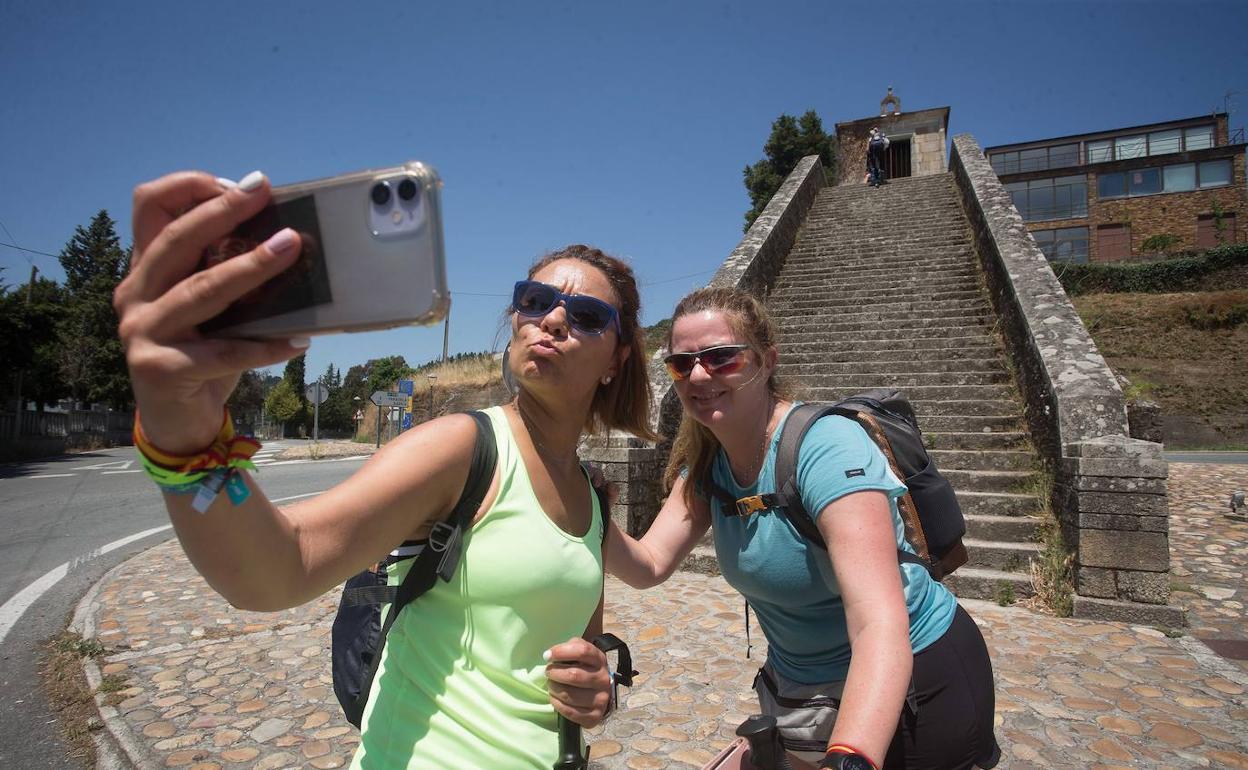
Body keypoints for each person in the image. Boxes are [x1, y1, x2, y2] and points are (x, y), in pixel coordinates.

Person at [114, 169, 657, 769]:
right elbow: (282, 566)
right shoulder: (461, 447)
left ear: (616, 359)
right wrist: (187, 437)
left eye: (586, 316)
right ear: (515, 319)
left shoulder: (590, 492)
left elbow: (581, 650)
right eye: (535, 301)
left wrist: (598, 691)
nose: (552, 320)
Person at [604, 287, 999, 770]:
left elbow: (878, 622)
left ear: (766, 361)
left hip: (912, 683)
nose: (699, 375)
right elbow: (648, 565)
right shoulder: (708, 466)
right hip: (804, 695)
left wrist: (851, 756)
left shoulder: (826, 449)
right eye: (681, 364)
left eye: (722, 357)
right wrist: (591, 511)